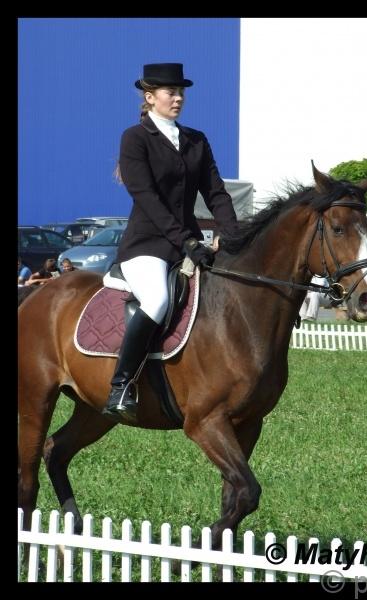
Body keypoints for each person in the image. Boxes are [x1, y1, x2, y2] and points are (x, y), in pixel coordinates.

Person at [102, 62, 238, 423]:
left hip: (187, 243)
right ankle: (121, 385)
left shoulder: (196, 140)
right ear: (150, 97)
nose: (178, 98)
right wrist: (187, 241)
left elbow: (216, 192)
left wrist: (232, 233)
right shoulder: (135, 138)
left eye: (181, 93)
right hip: (146, 244)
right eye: (170, 92)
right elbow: (147, 198)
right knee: (158, 299)